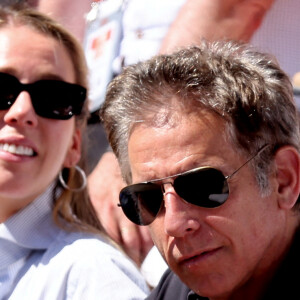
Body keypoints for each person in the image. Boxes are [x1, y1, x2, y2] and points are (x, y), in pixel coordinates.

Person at [101, 41, 300, 299]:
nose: (174, 224)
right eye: (147, 198)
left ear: (283, 179)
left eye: (201, 187)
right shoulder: (175, 291)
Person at [0, 4, 150, 299]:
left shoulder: (92, 273)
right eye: (2, 89)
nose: (22, 111)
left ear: (74, 144)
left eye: (54, 97)